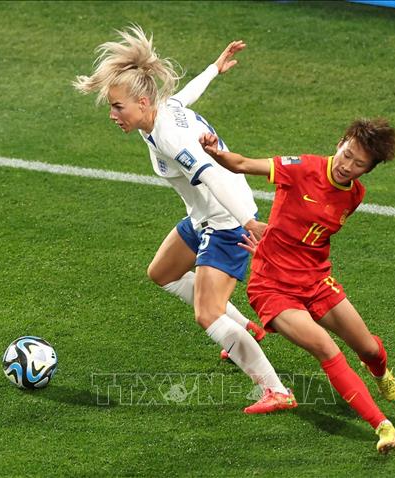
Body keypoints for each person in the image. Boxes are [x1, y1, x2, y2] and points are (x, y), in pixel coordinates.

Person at [73, 25, 295, 414]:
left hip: (225, 220)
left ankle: (276, 390)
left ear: (143, 102)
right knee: (162, 273)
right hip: (203, 215)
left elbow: (210, 175)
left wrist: (248, 222)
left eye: (117, 107)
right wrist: (214, 69)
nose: (112, 114)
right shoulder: (160, 112)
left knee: (207, 313)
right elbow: (184, 96)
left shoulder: (169, 138)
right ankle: (244, 329)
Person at [199, 118, 395, 454]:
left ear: (368, 170)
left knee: (368, 348)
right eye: (347, 154)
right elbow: (242, 164)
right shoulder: (301, 168)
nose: (347, 166)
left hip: (316, 280)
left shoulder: (355, 195)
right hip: (272, 286)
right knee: (326, 349)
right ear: (340, 143)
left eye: (358, 164)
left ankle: (379, 372)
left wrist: (275, 244)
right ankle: (384, 427)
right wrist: (215, 152)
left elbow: (309, 235)